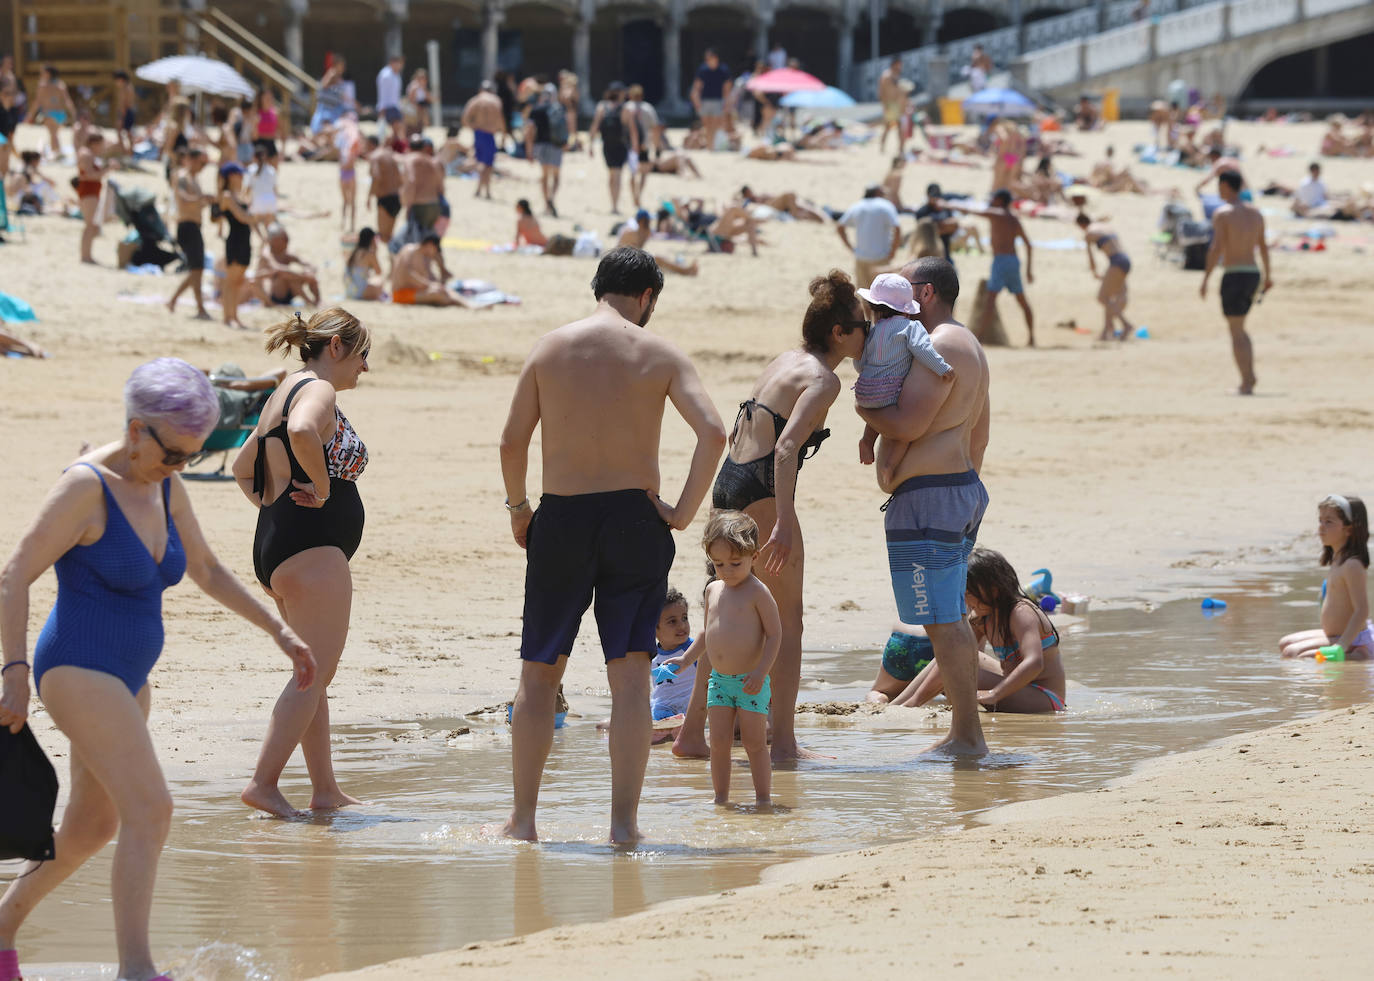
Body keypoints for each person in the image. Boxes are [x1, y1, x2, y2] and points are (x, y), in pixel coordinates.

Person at [0, 358, 315, 979]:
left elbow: (207, 569)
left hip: (128, 678)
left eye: (193, 457)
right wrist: (13, 670)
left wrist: (277, 629)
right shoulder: (85, 488)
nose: (180, 466)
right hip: (77, 669)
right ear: (136, 430)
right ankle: (137, 970)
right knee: (152, 810)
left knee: (92, 828)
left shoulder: (166, 484)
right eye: (173, 454)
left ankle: (2, 927)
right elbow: (13, 575)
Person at [498, 248, 727, 843]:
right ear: (647, 297)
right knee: (630, 679)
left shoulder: (551, 348)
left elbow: (511, 442)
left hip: (563, 517)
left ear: (598, 287)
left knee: (539, 675)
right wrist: (681, 512)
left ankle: (523, 822)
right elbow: (713, 432)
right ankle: (623, 827)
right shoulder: (660, 354)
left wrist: (520, 509)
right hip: (635, 519)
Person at [673, 271, 870, 764]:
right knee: (788, 622)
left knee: (724, 615)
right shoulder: (824, 380)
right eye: (863, 326)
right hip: (762, 489)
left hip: (729, 481)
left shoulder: (786, 360)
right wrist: (782, 521)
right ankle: (783, 745)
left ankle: (692, 735)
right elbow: (785, 450)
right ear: (839, 333)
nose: (869, 334)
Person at [229, 309, 371, 817]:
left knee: (313, 673)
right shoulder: (317, 390)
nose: (365, 367)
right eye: (363, 354)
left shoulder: (282, 391)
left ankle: (325, 790)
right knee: (315, 672)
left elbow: (242, 468)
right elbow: (305, 431)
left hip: (279, 546)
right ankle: (263, 783)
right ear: (336, 347)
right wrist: (324, 490)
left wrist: (278, 511)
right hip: (312, 550)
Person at [856, 256, 991, 756]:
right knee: (945, 616)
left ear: (926, 292)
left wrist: (860, 405)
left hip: (933, 498)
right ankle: (965, 734)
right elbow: (980, 432)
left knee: (942, 620)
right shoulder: (966, 342)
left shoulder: (941, 343)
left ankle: (966, 737)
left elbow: (908, 423)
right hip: (951, 490)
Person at [670, 512, 781, 805]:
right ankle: (720, 798)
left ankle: (763, 799)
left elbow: (774, 635)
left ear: (753, 557)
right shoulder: (713, 590)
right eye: (718, 564)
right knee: (719, 743)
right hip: (718, 681)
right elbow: (706, 632)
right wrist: (685, 660)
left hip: (750, 682)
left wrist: (761, 672)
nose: (727, 571)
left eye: (735, 563)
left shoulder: (758, 592)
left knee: (754, 743)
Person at [900, 548, 1066, 713]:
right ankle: (902, 703)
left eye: (968, 593)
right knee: (950, 655)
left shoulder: (1021, 613)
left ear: (993, 590)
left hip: (1045, 697)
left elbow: (1034, 663)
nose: (965, 600)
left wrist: (994, 694)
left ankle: (912, 704)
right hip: (1014, 685)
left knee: (955, 667)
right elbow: (959, 652)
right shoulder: (983, 616)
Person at [853, 273, 954, 487]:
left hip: (864, 391)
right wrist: (942, 368)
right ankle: (890, 465)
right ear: (906, 310)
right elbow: (922, 349)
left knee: (877, 412)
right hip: (889, 392)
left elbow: (860, 363)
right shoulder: (910, 327)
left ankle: (867, 441)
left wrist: (869, 376)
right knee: (904, 428)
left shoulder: (873, 332)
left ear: (874, 308)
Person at [1199, 170, 1271, 395]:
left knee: (1236, 330)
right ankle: (1248, 377)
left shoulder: (1223, 214)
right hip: (1253, 273)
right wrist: (1268, 276)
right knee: (1240, 327)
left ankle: (1247, 382)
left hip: (1234, 273)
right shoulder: (1256, 214)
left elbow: (1216, 248)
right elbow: (1263, 247)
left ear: (1225, 186)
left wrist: (1206, 278)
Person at [1280, 495, 1372, 661]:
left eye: (1329, 522)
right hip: (1336, 635)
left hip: (1352, 639)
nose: (1321, 527)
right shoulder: (1337, 558)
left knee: (1291, 653)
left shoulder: (1352, 565)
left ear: (1349, 529)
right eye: (1320, 521)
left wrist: (1341, 645)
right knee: (1285, 643)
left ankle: (1360, 654)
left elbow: (1362, 610)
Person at [944, 189, 1035, 346]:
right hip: (1013, 261)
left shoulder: (997, 214)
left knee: (990, 301)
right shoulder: (1014, 219)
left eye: (994, 199)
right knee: (1021, 301)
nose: (991, 201)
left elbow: (973, 210)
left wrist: (947, 205)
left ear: (1000, 200)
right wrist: (1028, 270)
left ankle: (979, 338)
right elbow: (1028, 244)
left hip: (1000, 261)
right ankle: (1031, 337)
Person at [167, 148, 214, 319]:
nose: (203, 166)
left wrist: (206, 201)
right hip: (186, 226)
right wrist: (201, 199)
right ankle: (199, 308)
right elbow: (183, 198)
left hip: (193, 225)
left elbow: (194, 203)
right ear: (192, 160)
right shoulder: (182, 177)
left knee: (197, 269)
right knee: (197, 269)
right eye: (201, 163)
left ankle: (174, 300)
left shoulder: (194, 179)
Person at [1077, 213, 1134, 342]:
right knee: (1110, 298)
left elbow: (1090, 257)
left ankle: (1123, 325)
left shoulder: (1089, 232)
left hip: (1116, 262)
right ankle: (1108, 331)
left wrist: (1094, 272)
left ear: (1080, 225)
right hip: (1126, 260)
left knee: (1102, 297)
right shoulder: (1102, 226)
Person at [647, 588, 696, 728]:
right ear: (654, 628)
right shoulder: (650, 654)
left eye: (684, 618)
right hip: (661, 707)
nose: (682, 625)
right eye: (672, 621)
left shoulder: (693, 649)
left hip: (688, 708)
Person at [216, 162, 255, 330]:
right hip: (235, 240)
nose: (241, 177)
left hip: (245, 239)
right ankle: (227, 317)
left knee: (238, 281)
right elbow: (243, 217)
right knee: (230, 281)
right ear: (231, 176)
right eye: (239, 174)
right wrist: (257, 216)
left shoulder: (239, 195)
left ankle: (234, 315)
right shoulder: (227, 195)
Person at [837, 185, 901, 286]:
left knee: (862, 292)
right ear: (877, 193)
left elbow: (840, 226)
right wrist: (893, 251)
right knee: (882, 292)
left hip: (861, 257)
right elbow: (897, 228)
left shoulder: (857, 206)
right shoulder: (886, 205)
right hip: (881, 258)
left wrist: (851, 248)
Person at [587, 83, 631, 214]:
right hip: (620, 145)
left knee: (612, 175)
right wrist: (634, 146)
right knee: (617, 175)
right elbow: (631, 129)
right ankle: (614, 205)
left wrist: (590, 144)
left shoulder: (602, 106)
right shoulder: (624, 108)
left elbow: (594, 126)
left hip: (607, 145)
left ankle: (613, 203)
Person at [390, 234, 470, 306]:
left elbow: (428, 277)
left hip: (413, 291)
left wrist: (436, 284)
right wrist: (429, 285)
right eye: (435, 249)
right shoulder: (409, 250)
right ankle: (460, 303)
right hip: (400, 294)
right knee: (438, 295)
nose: (435, 252)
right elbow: (407, 274)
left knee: (444, 290)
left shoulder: (423, 257)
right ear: (430, 245)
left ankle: (466, 304)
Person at [865, 622, 935, 705]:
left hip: (901, 639)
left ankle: (876, 703)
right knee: (947, 690)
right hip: (935, 641)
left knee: (880, 692)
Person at [617, 209, 699, 276]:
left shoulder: (645, 232)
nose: (649, 222)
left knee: (659, 261)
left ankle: (684, 269)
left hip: (632, 261)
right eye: (647, 220)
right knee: (657, 260)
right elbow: (626, 253)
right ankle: (685, 271)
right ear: (642, 221)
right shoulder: (630, 232)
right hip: (623, 263)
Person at [255, 224, 321, 307]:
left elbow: (307, 263)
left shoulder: (285, 252)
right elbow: (278, 268)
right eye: (284, 239)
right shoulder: (267, 253)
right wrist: (301, 275)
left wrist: (309, 271)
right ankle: (309, 303)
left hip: (288, 292)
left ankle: (318, 301)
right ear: (274, 241)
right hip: (274, 294)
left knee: (308, 276)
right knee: (286, 276)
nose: (287, 241)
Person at [461, 80, 506, 200]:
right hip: (490, 134)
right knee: (488, 164)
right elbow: (500, 119)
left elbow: (465, 118)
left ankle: (479, 189)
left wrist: (474, 127)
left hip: (478, 133)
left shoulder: (475, 100)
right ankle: (487, 191)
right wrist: (503, 135)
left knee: (480, 161)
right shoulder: (495, 100)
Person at [524, 84, 564, 217]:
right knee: (556, 176)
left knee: (545, 176)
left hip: (541, 145)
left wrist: (529, 150)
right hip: (556, 145)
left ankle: (547, 204)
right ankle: (552, 197)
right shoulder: (559, 109)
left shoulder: (536, 110)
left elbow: (529, 131)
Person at [75, 132, 110, 265]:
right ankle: (85, 256)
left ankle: (87, 255)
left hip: (91, 191)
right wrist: (108, 169)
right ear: (95, 143)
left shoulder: (87, 153)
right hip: (88, 192)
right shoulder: (87, 154)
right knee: (89, 225)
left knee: (92, 226)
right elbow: (88, 175)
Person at [26, 64, 75, 158]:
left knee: (53, 134)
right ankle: (58, 151)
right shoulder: (60, 84)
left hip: (49, 113)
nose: (41, 74)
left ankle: (55, 152)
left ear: (48, 74)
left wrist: (30, 114)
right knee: (55, 134)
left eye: (43, 72)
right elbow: (67, 100)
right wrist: (73, 112)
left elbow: (37, 102)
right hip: (61, 114)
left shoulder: (42, 85)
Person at [625, 84, 662, 209]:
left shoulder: (626, 108)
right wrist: (657, 146)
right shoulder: (648, 108)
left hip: (630, 145)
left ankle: (633, 196)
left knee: (632, 172)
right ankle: (639, 194)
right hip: (644, 144)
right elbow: (655, 129)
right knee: (644, 173)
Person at [691, 50, 731, 151]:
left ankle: (711, 145)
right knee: (706, 124)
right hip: (705, 100)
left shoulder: (723, 70)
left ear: (716, 58)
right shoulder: (703, 70)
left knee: (715, 124)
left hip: (718, 100)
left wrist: (726, 102)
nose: (708, 61)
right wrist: (696, 101)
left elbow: (727, 87)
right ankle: (709, 145)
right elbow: (697, 86)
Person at [365, 134, 403, 244]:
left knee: (383, 236)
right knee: (389, 236)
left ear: (371, 144)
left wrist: (369, 196)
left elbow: (376, 177)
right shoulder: (389, 154)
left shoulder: (375, 156)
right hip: (397, 197)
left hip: (385, 198)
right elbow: (400, 175)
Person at [913, 183, 958, 261]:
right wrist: (942, 226)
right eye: (933, 197)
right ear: (928, 196)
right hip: (926, 253)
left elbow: (954, 225)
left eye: (937, 196)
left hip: (944, 252)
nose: (935, 199)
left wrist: (937, 226)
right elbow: (923, 233)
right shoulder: (922, 212)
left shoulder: (945, 209)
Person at [344, 227, 385, 300]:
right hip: (361, 292)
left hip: (349, 291)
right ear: (371, 239)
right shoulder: (369, 254)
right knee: (379, 281)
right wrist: (375, 251)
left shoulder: (354, 252)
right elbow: (379, 272)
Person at [246, 144, 278, 230]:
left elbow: (247, 189)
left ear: (254, 157)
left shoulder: (250, 169)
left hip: (257, 201)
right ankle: (266, 237)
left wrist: (247, 201)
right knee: (268, 226)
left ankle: (261, 237)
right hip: (271, 201)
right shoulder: (272, 170)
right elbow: (275, 190)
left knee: (252, 221)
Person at [878, 58, 906, 154]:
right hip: (890, 105)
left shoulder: (897, 76)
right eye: (899, 64)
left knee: (897, 127)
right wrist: (885, 106)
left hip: (897, 106)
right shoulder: (886, 76)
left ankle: (900, 149)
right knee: (889, 127)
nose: (900, 67)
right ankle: (883, 147)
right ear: (894, 64)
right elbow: (882, 92)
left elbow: (900, 92)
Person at [376, 54, 405, 145]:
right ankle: (383, 147)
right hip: (387, 106)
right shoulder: (385, 75)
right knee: (395, 130)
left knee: (396, 131)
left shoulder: (396, 75)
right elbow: (383, 93)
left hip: (395, 106)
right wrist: (382, 108)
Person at [113, 70, 136, 156]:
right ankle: (130, 152)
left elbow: (124, 104)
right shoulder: (130, 86)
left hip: (125, 112)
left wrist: (121, 118)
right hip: (129, 111)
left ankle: (125, 152)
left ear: (121, 79)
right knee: (129, 133)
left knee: (121, 132)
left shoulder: (124, 89)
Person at [406, 67, 430, 133]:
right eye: (422, 78)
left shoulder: (421, 86)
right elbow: (411, 99)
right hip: (414, 108)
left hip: (420, 107)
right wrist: (418, 107)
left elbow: (427, 97)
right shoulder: (415, 86)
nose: (424, 79)